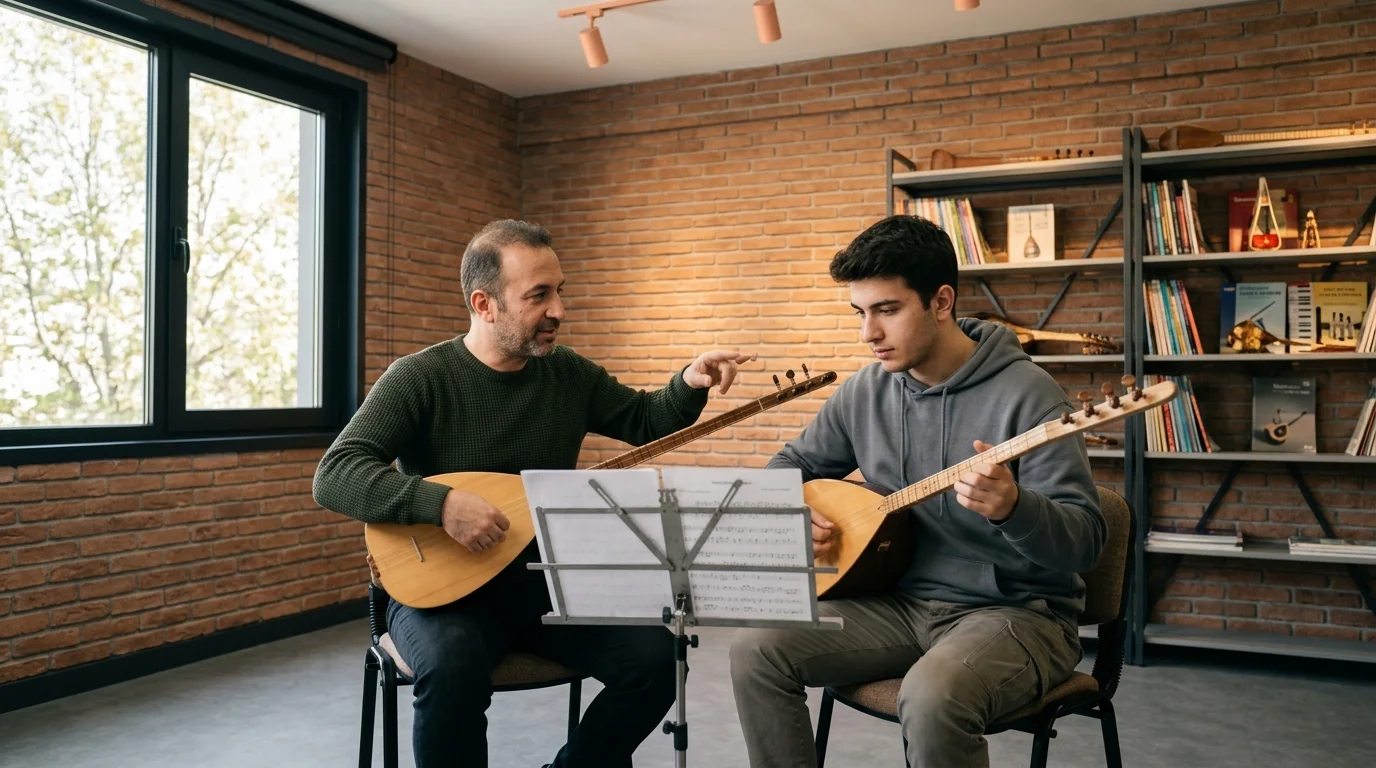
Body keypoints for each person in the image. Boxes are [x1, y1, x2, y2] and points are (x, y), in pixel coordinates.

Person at [313, 219, 754, 768]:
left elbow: (644, 419)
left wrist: (688, 381)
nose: (558, 311)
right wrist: (441, 504)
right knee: (452, 668)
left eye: (559, 292)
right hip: (443, 591)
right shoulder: (419, 378)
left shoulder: (566, 374)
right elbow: (335, 472)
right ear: (485, 303)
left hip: (544, 584)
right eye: (538, 296)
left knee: (658, 659)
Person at [729, 214, 1106, 768]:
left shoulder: (1030, 397)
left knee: (932, 696)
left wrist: (1015, 509)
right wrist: (791, 507)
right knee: (755, 651)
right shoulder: (866, 392)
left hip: (1019, 613)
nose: (868, 334)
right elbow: (790, 464)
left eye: (888, 310)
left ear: (942, 301)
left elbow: (1086, 542)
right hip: (898, 603)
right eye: (860, 312)